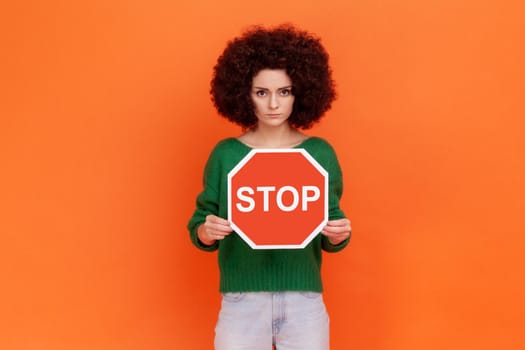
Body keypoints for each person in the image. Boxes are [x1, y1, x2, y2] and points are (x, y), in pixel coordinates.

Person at [187, 24, 352, 350]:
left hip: (304, 300)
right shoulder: (226, 154)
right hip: (242, 300)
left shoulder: (319, 154)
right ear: (244, 94)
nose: (273, 104)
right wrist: (207, 230)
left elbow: (330, 226)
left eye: (285, 92)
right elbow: (199, 225)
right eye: (261, 92)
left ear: (301, 92)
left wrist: (338, 234)